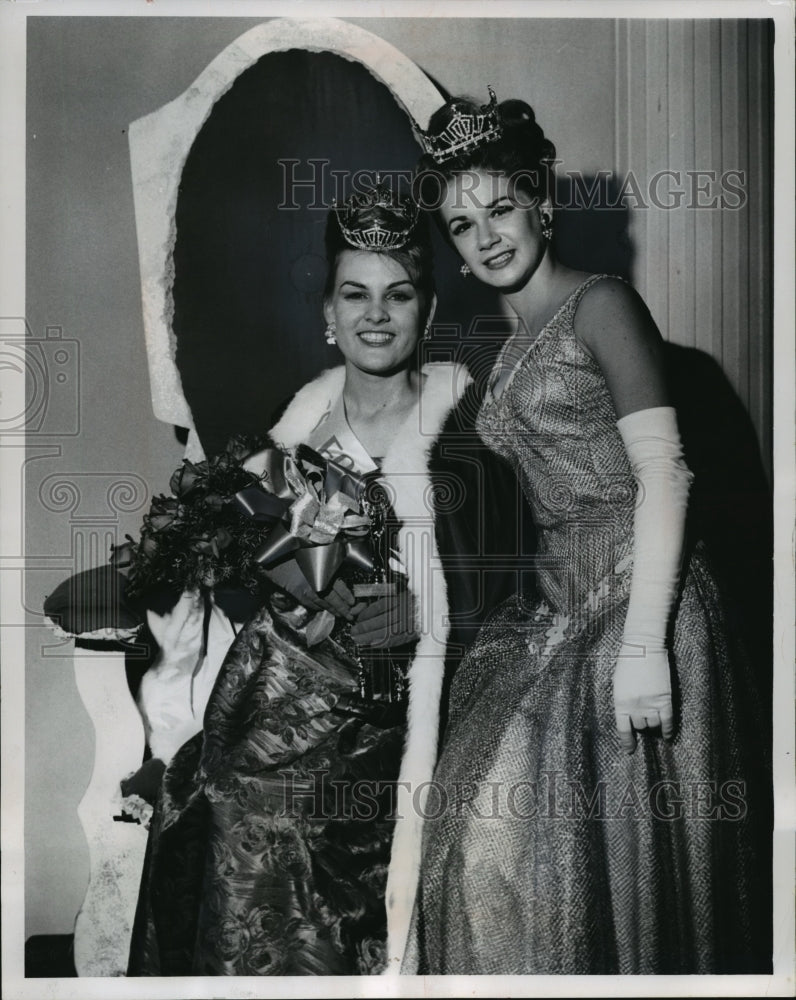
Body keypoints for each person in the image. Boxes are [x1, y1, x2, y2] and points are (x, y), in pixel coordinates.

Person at [394, 91, 771, 975]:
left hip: (642, 604)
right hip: (558, 606)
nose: (484, 237)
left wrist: (645, 645)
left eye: (499, 209)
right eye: (460, 225)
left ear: (541, 202)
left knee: (579, 862)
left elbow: (667, 475)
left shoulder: (603, 303)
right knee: (479, 843)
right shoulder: (505, 341)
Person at [124, 180, 510, 976]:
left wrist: (427, 618)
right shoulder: (293, 425)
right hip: (279, 688)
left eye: (398, 295)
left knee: (332, 862)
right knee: (221, 809)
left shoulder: (470, 423)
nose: (376, 315)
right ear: (327, 317)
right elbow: (259, 568)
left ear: (428, 313)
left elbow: (507, 590)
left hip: (401, 708)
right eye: (354, 295)